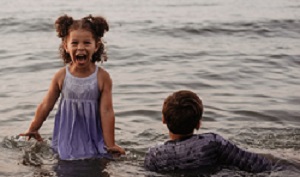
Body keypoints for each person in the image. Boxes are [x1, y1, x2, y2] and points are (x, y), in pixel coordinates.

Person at [20, 14, 125, 160]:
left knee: (97, 164)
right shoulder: (61, 76)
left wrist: (111, 144)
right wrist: (33, 128)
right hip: (66, 138)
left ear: (96, 46)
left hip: (93, 136)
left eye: (87, 43)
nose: (80, 47)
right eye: (74, 43)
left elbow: (107, 111)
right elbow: (46, 105)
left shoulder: (102, 77)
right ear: (66, 46)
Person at [144, 90, 273, 173]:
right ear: (199, 123)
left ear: (163, 120)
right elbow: (259, 165)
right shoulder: (212, 143)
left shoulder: (153, 156)